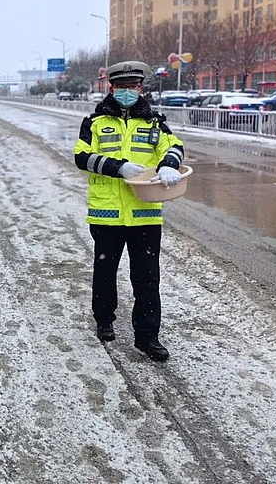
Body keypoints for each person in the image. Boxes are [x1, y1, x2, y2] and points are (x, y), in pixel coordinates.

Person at [73, 61, 185, 361]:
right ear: (112, 89)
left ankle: (148, 337)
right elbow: (82, 157)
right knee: (105, 272)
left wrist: (169, 165)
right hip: (107, 214)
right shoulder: (94, 122)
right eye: (122, 87)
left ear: (141, 89)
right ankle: (104, 319)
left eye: (133, 87)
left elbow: (174, 147)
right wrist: (118, 167)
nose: (127, 92)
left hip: (145, 214)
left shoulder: (155, 123)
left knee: (147, 279)